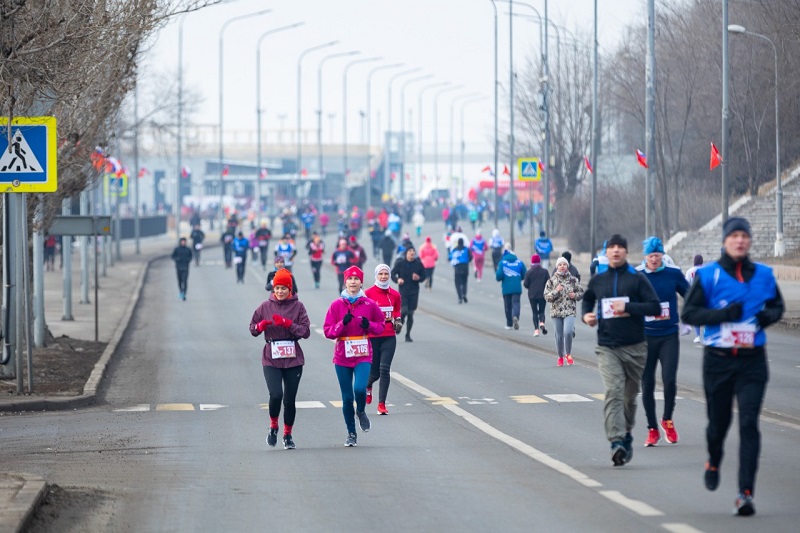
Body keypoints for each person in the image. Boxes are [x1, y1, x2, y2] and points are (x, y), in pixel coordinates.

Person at [681, 217, 784, 516]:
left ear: (749, 241)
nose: (739, 240)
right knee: (719, 424)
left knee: (749, 423)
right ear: (725, 241)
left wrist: (766, 318)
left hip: (752, 361)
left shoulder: (763, 274)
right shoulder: (709, 274)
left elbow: (777, 306)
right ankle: (714, 460)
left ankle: (745, 494)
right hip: (718, 361)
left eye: (744, 236)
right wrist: (724, 313)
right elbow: (689, 313)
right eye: (734, 236)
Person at [581, 233, 661, 467]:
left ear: (626, 252)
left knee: (628, 398)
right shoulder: (599, 280)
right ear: (606, 253)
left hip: (635, 347)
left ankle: (626, 433)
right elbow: (587, 299)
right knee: (613, 392)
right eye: (612, 247)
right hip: (607, 347)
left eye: (620, 247)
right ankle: (616, 441)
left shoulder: (637, 279)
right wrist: (587, 315)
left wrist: (628, 307)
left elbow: (654, 306)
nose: (616, 251)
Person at [635, 236, 690, 447]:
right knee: (647, 383)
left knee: (669, 380)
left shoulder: (673, 274)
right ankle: (652, 429)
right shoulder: (638, 276)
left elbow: (690, 295)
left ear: (662, 256)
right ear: (645, 256)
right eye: (651, 256)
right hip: (646, 335)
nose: (654, 260)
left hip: (668, 335)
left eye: (657, 255)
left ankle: (667, 419)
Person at [323, 266, 386, 447]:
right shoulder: (336, 305)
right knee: (347, 397)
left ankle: (361, 411)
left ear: (361, 282)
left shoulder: (369, 304)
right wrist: (342, 324)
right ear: (345, 282)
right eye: (350, 279)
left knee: (359, 389)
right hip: (342, 356)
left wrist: (369, 325)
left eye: (356, 279)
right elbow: (328, 331)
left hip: (363, 354)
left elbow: (381, 325)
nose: (353, 282)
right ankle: (351, 432)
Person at [249, 268, 311, 450]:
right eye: (277, 288)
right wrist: (261, 325)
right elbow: (252, 329)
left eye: (284, 288)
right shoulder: (264, 307)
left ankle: (287, 434)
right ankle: (274, 426)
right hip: (271, 357)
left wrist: (288, 324)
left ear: (290, 289)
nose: (280, 291)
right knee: (276, 395)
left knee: (289, 399)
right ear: (273, 289)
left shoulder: (298, 307)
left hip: (293, 359)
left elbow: (305, 332)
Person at [365, 264, 403, 415]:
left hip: (388, 336)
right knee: (374, 373)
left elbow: (397, 311)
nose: (383, 277)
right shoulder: (368, 293)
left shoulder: (394, 294)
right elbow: (364, 313)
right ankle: (368, 385)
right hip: (373, 336)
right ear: (376, 275)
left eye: (386, 274)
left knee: (384, 369)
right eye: (380, 274)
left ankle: (381, 404)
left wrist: (398, 321)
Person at [544, 257, 584, 366]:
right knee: (559, 335)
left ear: (567, 266)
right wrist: (556, 291)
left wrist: (574, 295)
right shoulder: (551, 280)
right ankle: (560, 356)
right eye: (560, 264)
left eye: (564, 264)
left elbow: (581, 293)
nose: (562, 266)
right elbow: (546, 297)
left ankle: (568, 354)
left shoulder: (573, 280)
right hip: (556, 312)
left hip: (569, 311)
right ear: (557, 266)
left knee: (568, 331)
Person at [391, 246, 426, 342]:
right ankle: (398, 327)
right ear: (406, 253)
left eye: (413, 251)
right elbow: (392, 273)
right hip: (403, 291)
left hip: (414, 291)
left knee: (410, 313)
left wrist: (418, 278)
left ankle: (408, 335)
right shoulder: (400, 263)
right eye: (410, 251)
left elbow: (424, 276)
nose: (412, 253)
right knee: (403, 311)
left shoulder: (418, 264)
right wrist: (398, 279)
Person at [495, 247, 526, 330]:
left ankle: (509, 324)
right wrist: (518, 278)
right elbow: (524, 274)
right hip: (517, 287)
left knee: (507, 306)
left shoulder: (502, 263)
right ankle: (515, 316)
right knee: (516, 303)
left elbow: (499, 276)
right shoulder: (520, 262)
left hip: (506, 288)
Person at [523, 254, 550, 336]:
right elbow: (549, 283)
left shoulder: (529, 272)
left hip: (532, 295)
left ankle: (536, 330)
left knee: (534, 312)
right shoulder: (545, 271)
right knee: (542, 311)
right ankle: (542, 322)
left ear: (532, 262)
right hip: (542, 295)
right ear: (539, 262)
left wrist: (531, 287)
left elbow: (525, 284)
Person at [684, 254, 704, 343]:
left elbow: (686, 284)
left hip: (694, 296)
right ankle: (707, 334)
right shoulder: (706, 270)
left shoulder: (690, 271)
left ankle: (698, 336)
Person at [449, 237, 472, 304]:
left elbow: (450, 257)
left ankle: (460, 297)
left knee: (457, 283)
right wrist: (467, 261)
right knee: (464, 282)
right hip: (465, 267)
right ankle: (464, 294)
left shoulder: (454, 250)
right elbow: (471, 257)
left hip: (457, 268)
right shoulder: (466, 249)